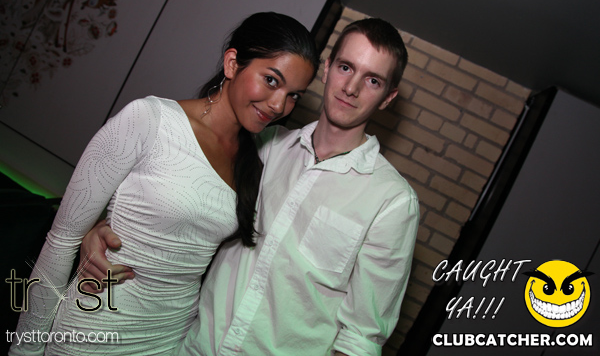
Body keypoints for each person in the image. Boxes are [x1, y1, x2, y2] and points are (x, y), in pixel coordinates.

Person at [80, 18, 419, 355]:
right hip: (189, 346)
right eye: (346, 67)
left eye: (372, 80)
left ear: (387, 97)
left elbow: (360, 338)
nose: (351, 88)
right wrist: (96, 227)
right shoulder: (263, 144)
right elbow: (178, 199)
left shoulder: (391, 201)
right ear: (328, 68)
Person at [9, 12, 319, 356]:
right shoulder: (149, 120)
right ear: (232, 64)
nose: (279, 105)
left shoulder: (257, 157)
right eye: (271, 80)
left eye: (294, 95)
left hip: (172, 339)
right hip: (96, 330)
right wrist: (25, 348)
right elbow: (61, 242)